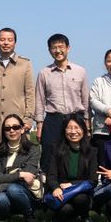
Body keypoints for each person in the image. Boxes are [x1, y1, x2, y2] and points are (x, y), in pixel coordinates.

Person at [34, 33, 89, 172]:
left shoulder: (80, 71)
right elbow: (39, 100)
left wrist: (87, 124)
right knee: (49, 152)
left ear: (68, 48)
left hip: (76, 118)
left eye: (61, 47)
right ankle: (47, 183)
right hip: (53, 119)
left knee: (76, 154)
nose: (58, 51)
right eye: (54, 48)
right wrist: (39, 125)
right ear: (49, 50)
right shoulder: (44, 73)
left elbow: (85, 99)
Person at [0, 28, 34, 150]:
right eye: (2, 39)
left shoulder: (25, 64)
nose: (6, 43)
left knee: (19, 156)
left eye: (10, 40)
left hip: (18, 121)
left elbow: (30, 94)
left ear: (15, 42)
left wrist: (28, 119)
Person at [45, 112, 98, 222]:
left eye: (77, 128)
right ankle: (66, 215)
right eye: (69, 128)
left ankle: (85, 217)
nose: (73, 132)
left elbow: (93, 180)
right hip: (62, 192)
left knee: (80, 199)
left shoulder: (92, 152)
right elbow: (51, 174)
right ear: (64, 131)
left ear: (83, 130)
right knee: (66, 210)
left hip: (81, 191)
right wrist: (55, 188)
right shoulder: (56, 149)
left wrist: (72, 184)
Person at [0, 114, 42, 222]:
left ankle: (29, 216)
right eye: (7, 128)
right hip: (6, 194)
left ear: (22, 130)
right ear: (4, 132)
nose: (11, 131)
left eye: (16, 127)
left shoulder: (33, 149)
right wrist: (20, 174)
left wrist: (0, 187)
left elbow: (28, 177)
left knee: (14, 189)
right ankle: (5, 217)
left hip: (27, 194)